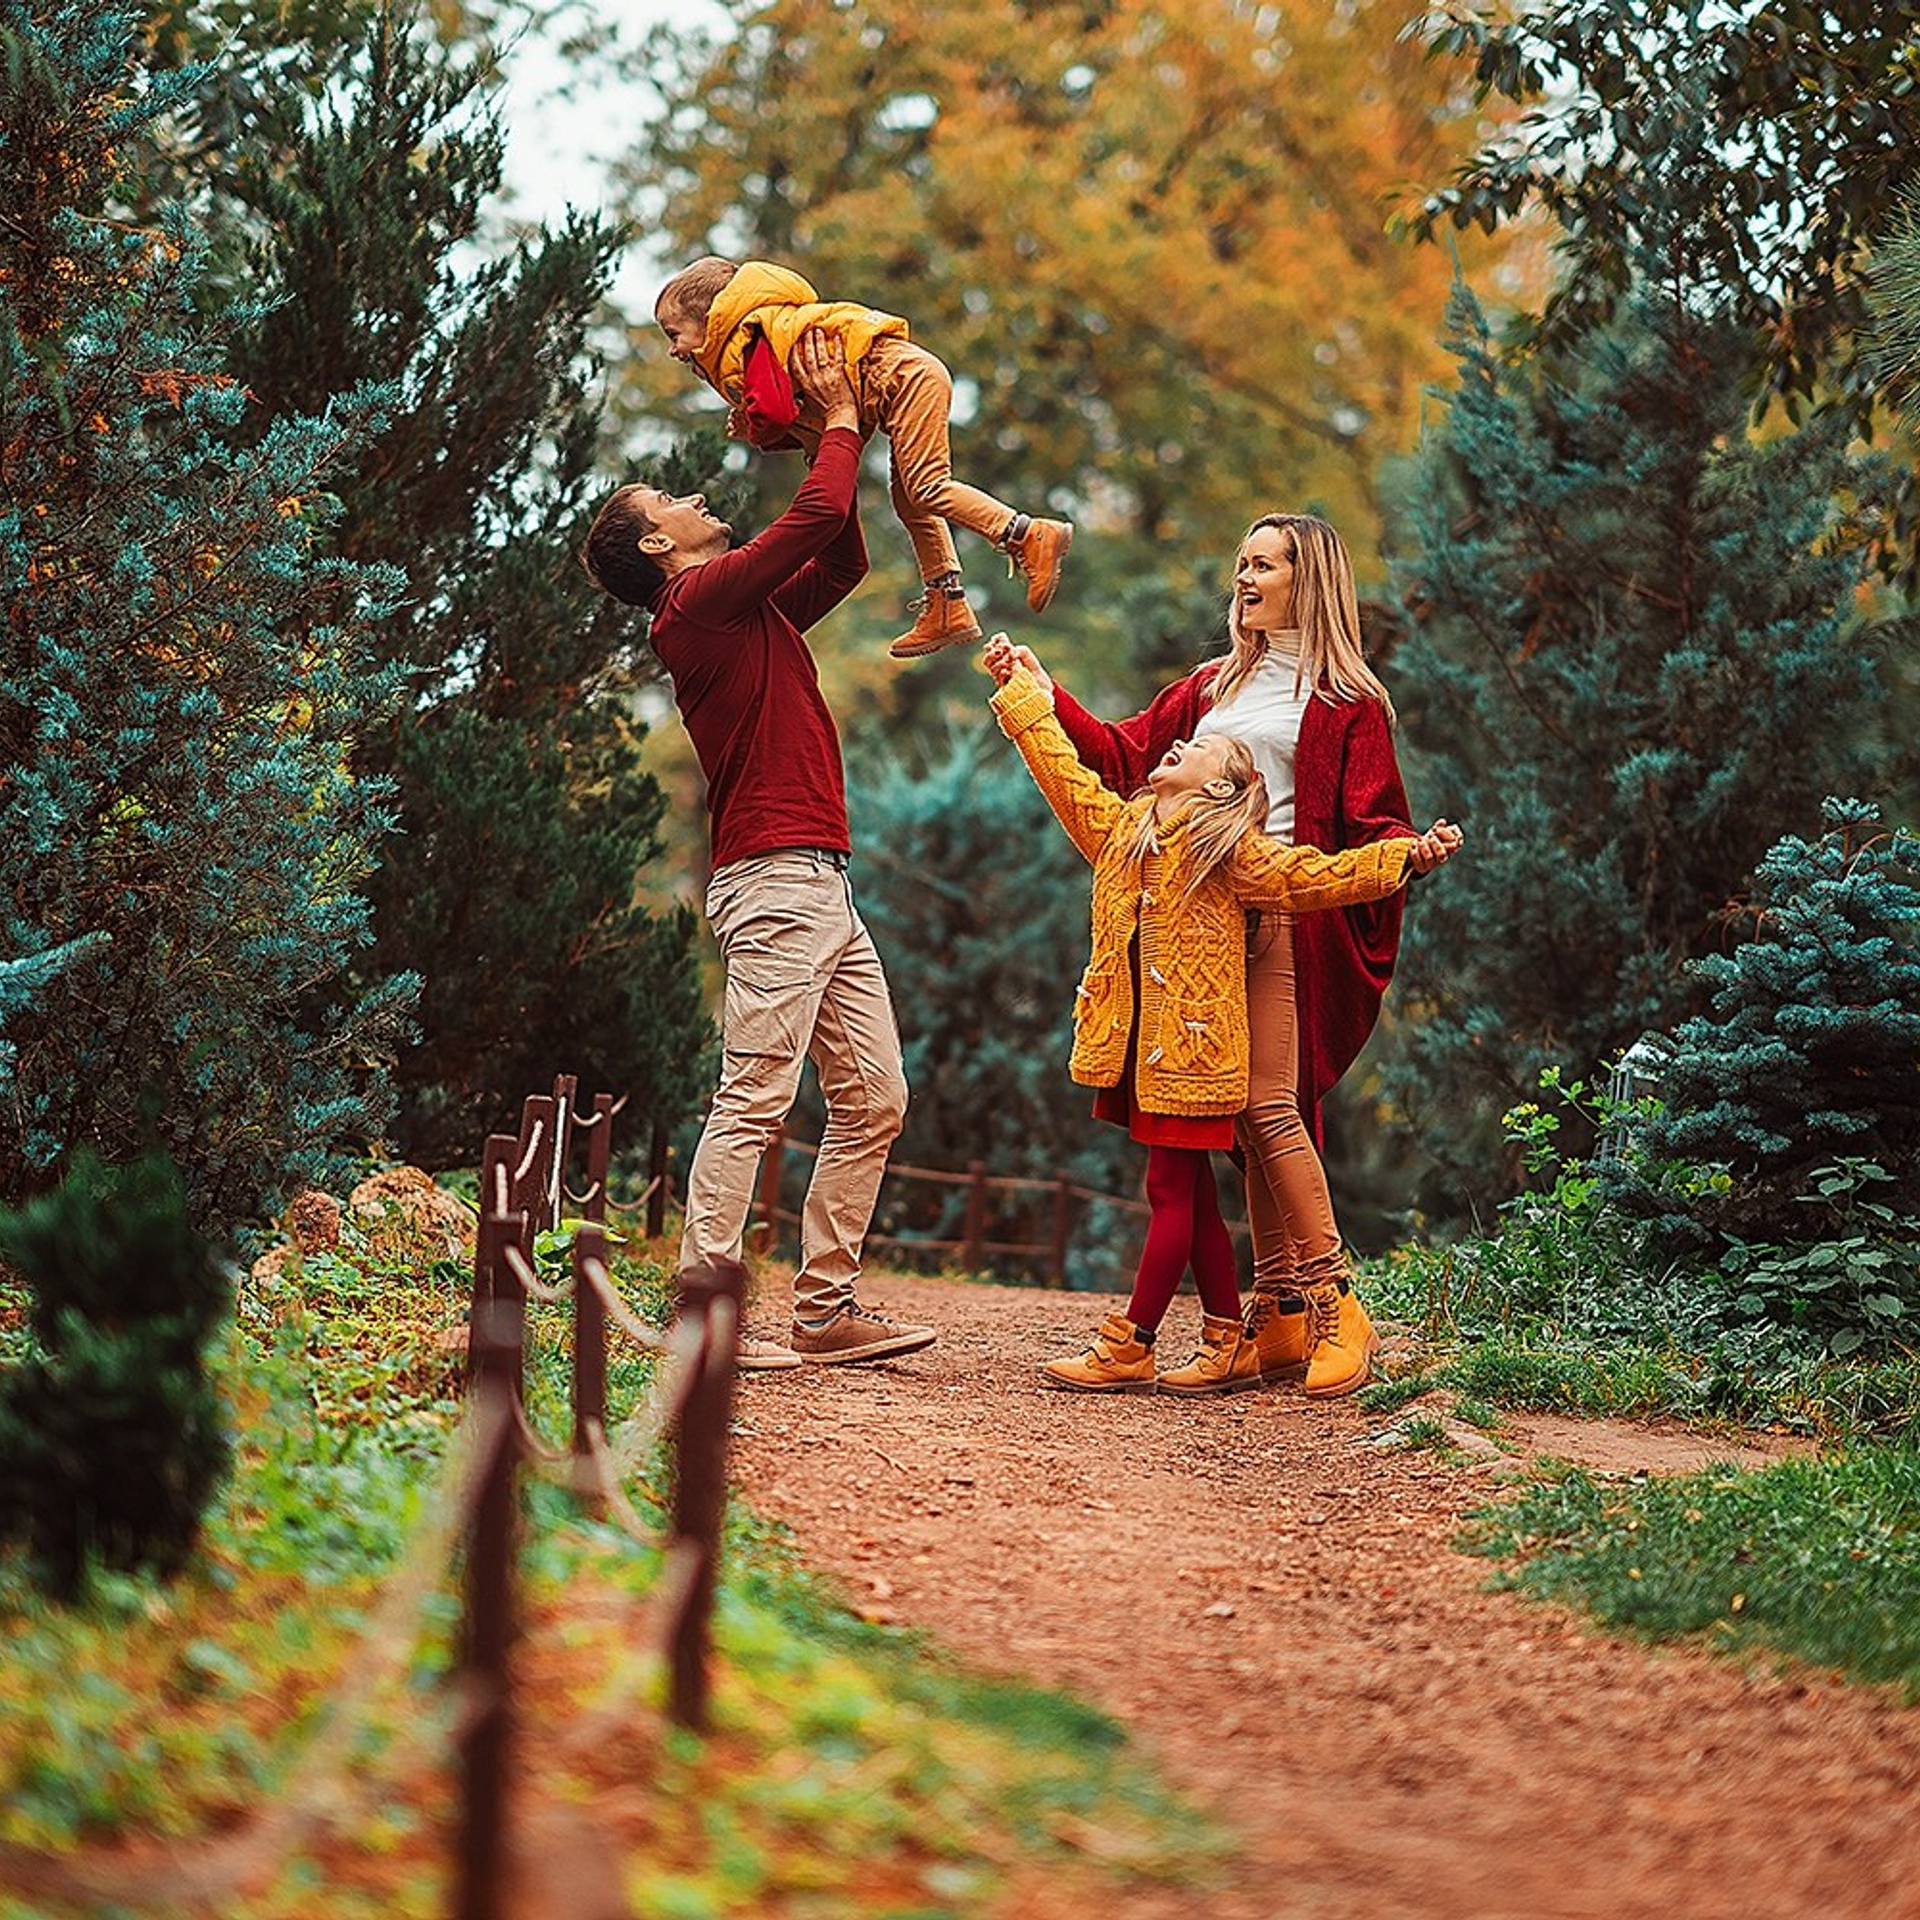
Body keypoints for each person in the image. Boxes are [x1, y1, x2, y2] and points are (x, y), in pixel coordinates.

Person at [989, 514, 1421, 1397]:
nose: (1245, 578)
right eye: (1241, 563)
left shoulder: (1345, 704)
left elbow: (1376, 822)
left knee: (1267, 1109)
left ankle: (1338, 1301)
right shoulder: (1212, 689)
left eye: (1264, 564)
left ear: (1311, 581)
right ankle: (1278, 1313)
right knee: (1246, 1125)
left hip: (1283, 922)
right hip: (1202, 927)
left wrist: (1392, 860)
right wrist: (1044, 688)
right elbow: (1121, 754)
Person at [579, 330, 934, 1370]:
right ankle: (705, 1314)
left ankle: (823, 1310)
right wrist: (834, 418)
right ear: (657, 549)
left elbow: (844, 550)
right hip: (776, 878)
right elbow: (818, 513)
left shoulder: (746, 608)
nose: (689, 497)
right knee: (758, 1093)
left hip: (820, 875)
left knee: (874, 1098)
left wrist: (825, 429)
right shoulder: (694, 604)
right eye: (668, 502)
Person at [654, 255, 1074, 660]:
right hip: (902, 381)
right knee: (909, 498)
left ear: (710, 319)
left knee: (927, 486)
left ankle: (1025, 533)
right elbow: (806, 410)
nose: (673, 351)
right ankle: (947, 600)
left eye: (674, 334)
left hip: (902, 379)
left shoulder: (747, 339)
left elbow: (777, 411)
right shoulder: (765, 329)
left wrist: (754, 424)